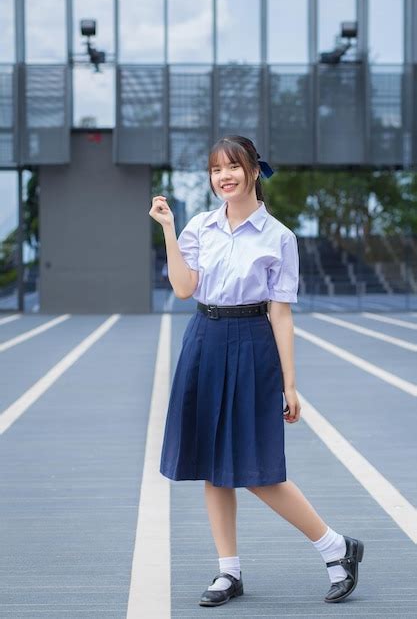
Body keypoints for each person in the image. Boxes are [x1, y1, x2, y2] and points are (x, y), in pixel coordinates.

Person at [149, 135, 364, 608]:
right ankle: (229, 572)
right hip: (204, 339)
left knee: (257, 467)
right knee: (211, 463)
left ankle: (335, 547)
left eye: (232, 167)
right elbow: (185, 289)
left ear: (252, 171)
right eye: (215, 170)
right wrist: (168, 228)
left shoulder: (279, 237)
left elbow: (280, 314)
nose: (223, 177)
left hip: (251, 344)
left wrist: (290, 383)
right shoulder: (200, 227)